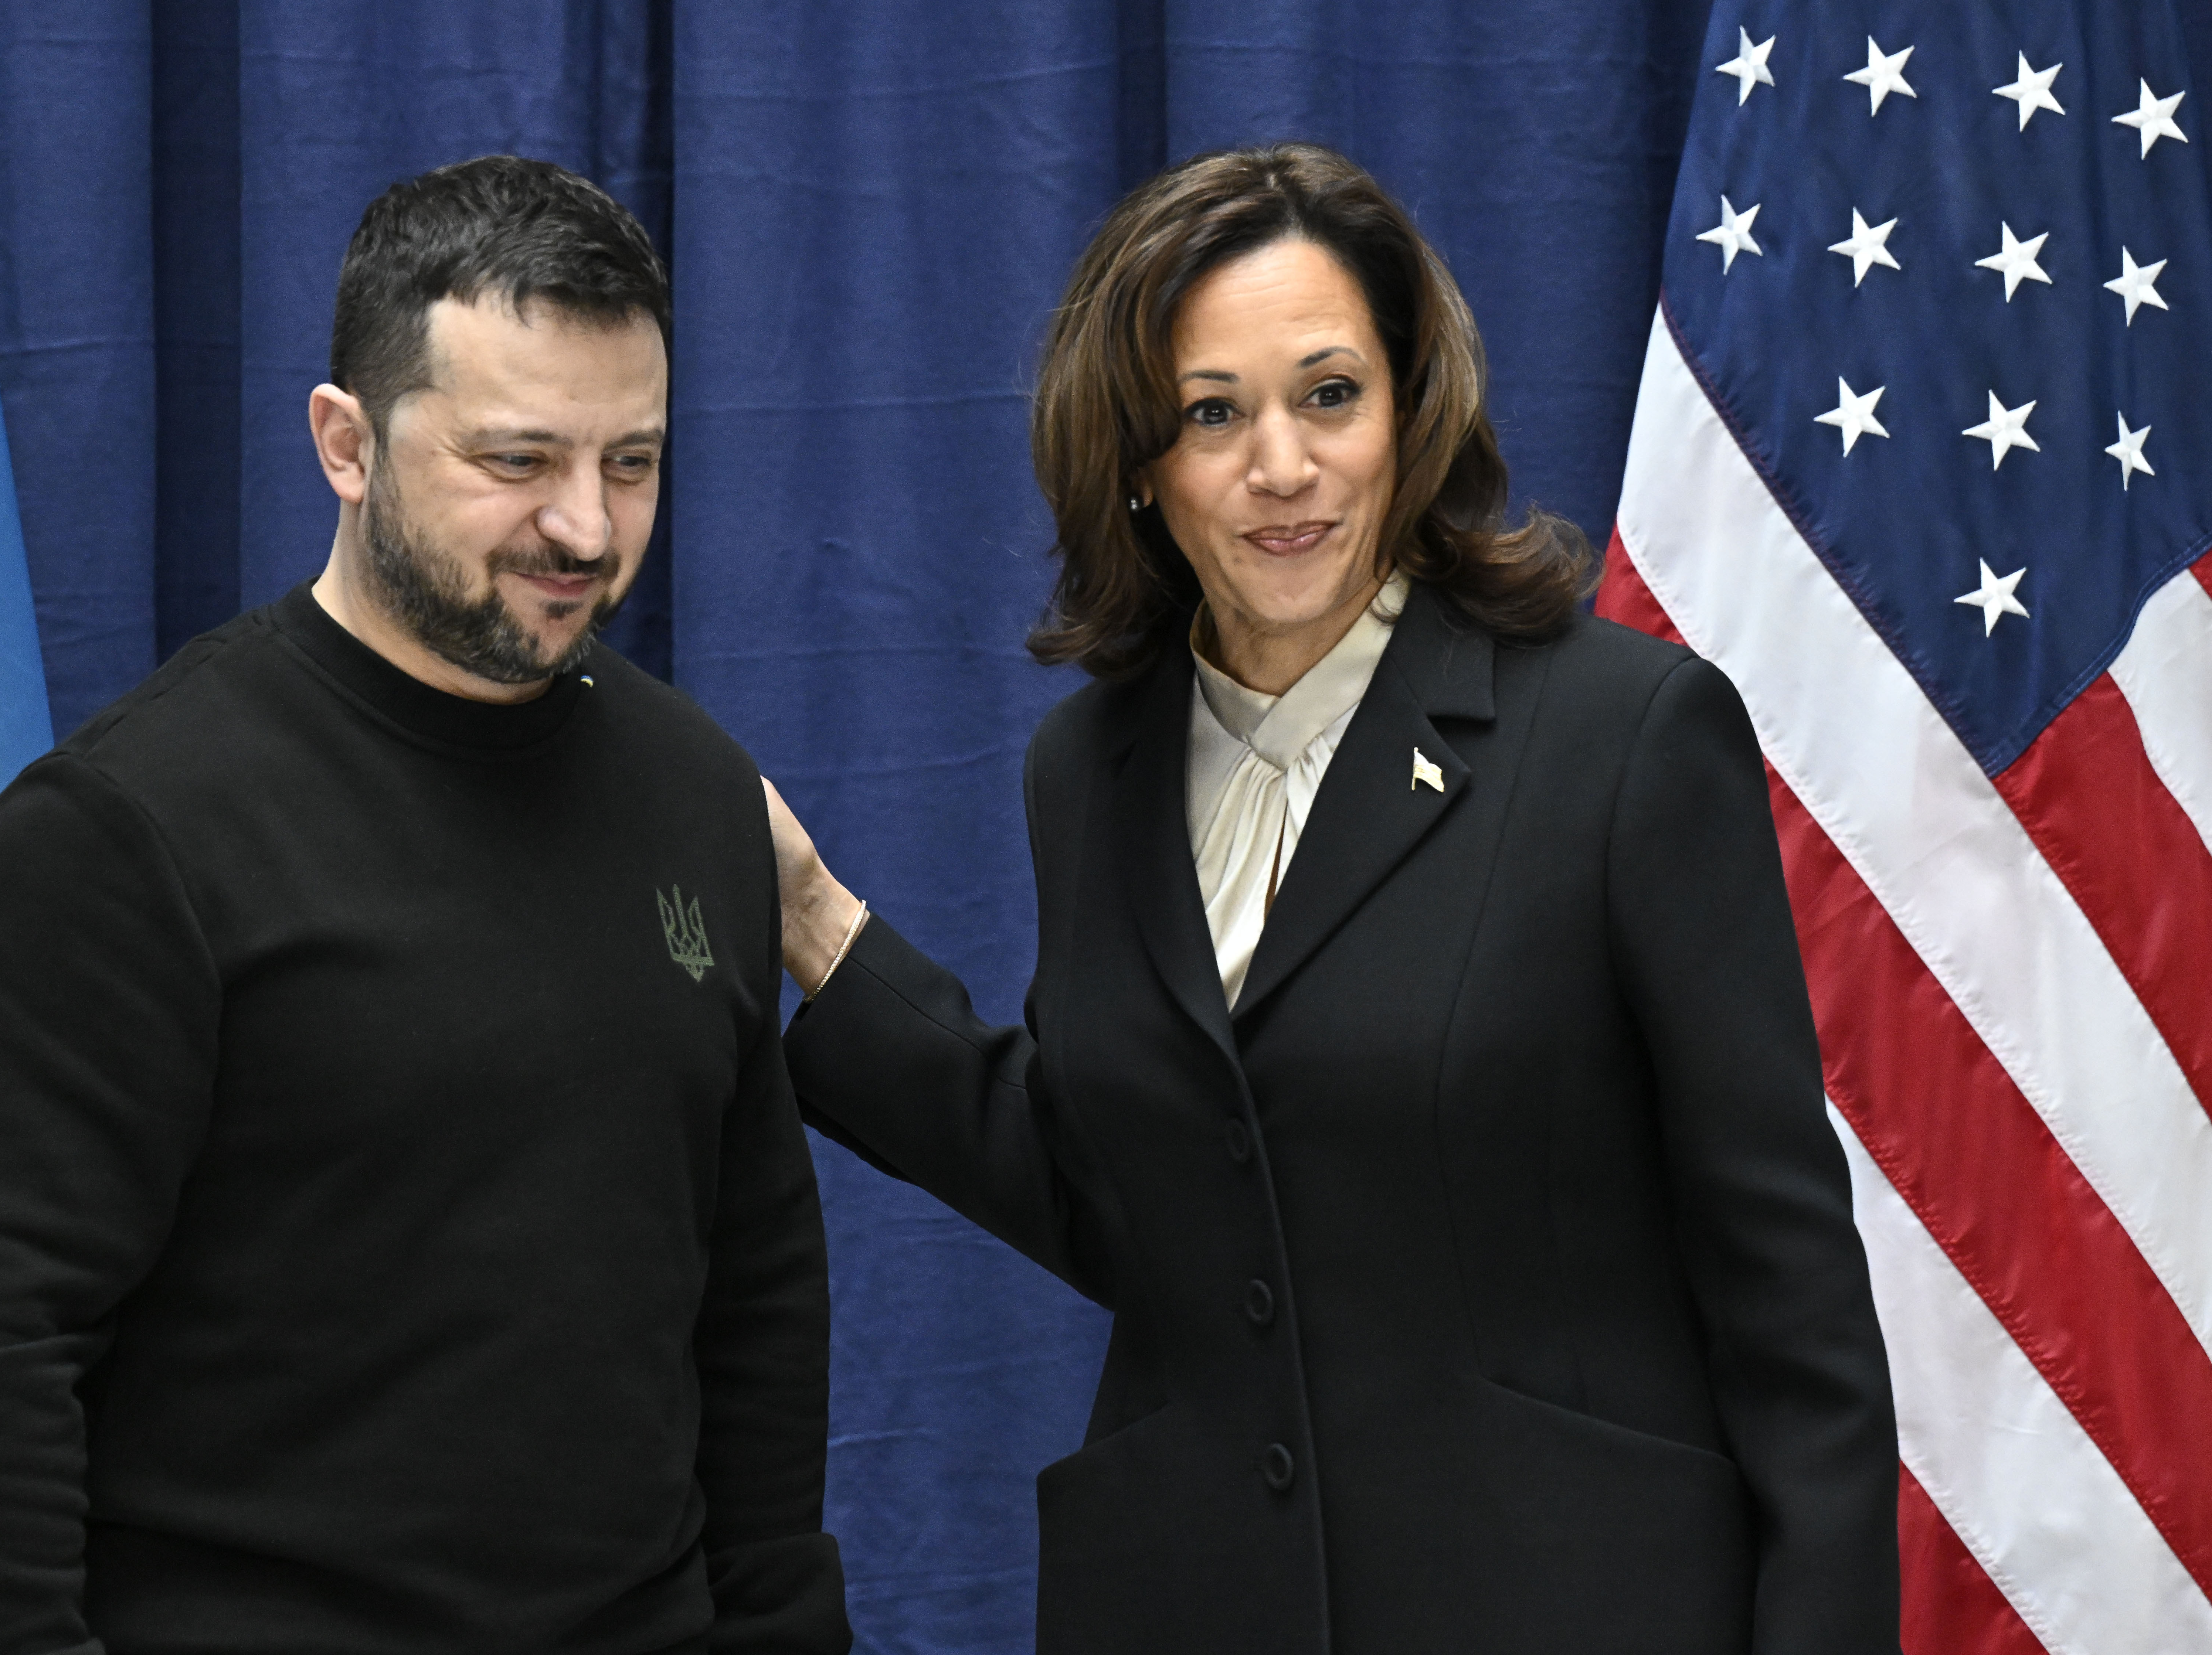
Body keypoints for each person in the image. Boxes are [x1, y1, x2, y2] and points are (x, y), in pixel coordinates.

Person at [764, 143, 1897, 1654]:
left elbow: (1796, 1312)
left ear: (1410, 411)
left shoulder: (1625, 738)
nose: (1280, 467)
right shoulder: (1086, 774)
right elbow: (1146, 1203)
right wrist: (821, 930)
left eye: (1328, 396)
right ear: (1138, 464)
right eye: (1212, 414)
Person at [0, 157, 850, 1655]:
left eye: (633, 462)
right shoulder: (124, 836)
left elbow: (756, 1302)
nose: (586, 531)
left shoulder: (700, 793)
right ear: (347, 442)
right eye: (517, 461)